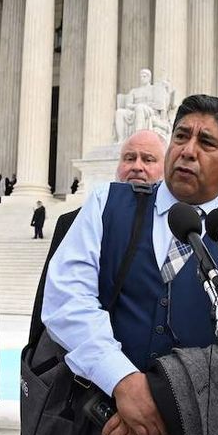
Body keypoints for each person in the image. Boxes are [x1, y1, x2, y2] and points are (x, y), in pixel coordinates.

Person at [42, 95, 218, 435]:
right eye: (181, 136)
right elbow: (65, 301)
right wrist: (122, 381)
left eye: (206, 143)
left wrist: (161, 396)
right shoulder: (107, 205)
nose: (188, 152)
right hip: (109, 432)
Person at [28, 129, 167, 347]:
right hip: (82, 366)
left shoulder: (177, 226)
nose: (137, 166)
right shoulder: (72, 221)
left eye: (148, 159)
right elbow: (47, 302)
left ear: (166, 170)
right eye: (129, 158)